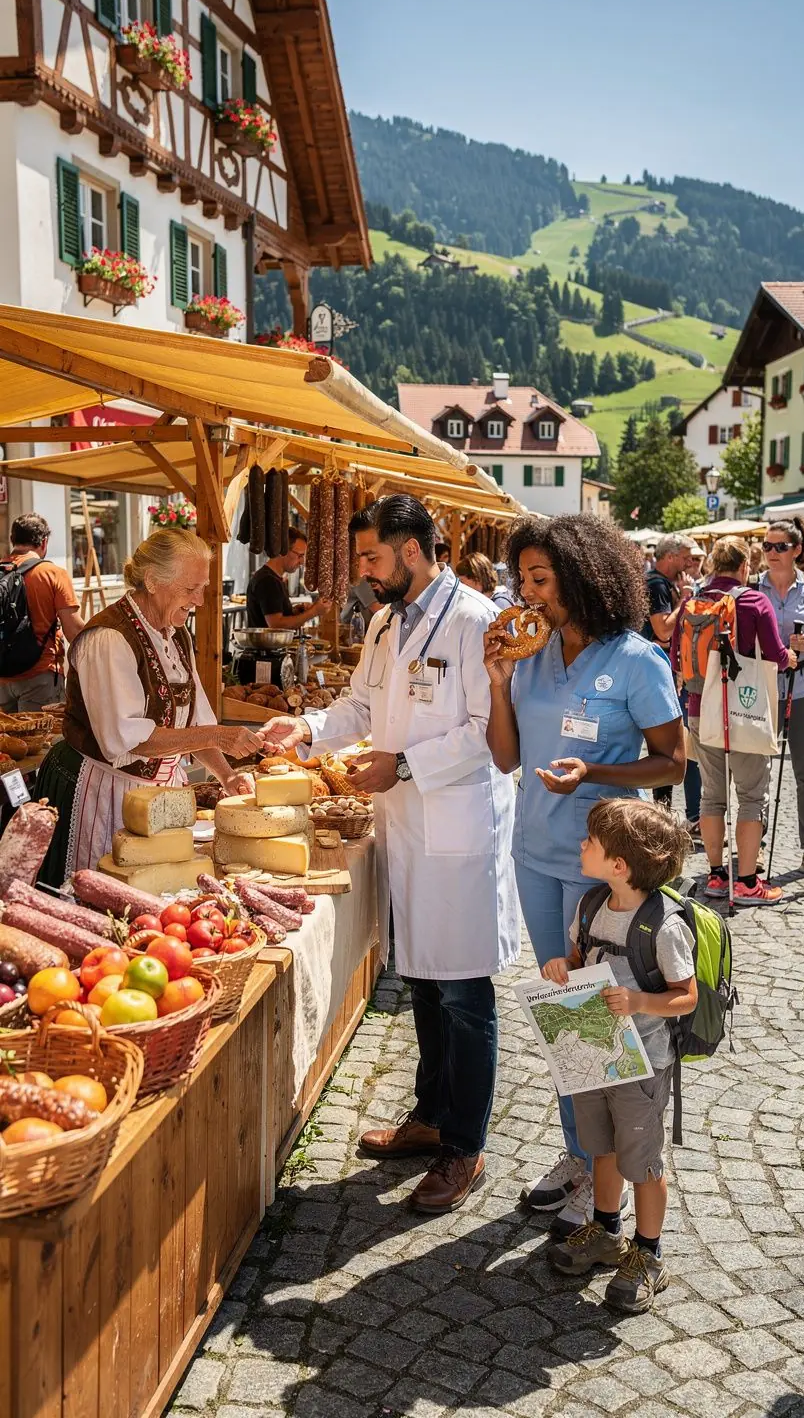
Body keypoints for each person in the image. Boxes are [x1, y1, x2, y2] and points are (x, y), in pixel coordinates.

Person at [261, 495, 519, 1214]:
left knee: (465, 992)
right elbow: (360, 709)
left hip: (458, 827)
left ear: (413, 550)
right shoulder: (382, 623)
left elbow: (485, 734)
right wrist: (306, 728)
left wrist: (403, 765)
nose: (364, 571)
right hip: (407, 829)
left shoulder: (474, 622)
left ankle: (463, 1146)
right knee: (427, 982)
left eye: (372, 557)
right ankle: (431, 1116)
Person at [484, 514, 684, 1231]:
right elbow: (505, 760)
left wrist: (594, 771)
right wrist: (499, 685)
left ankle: (606, 1176)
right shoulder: (528, 654)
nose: (529, 593)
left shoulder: (635, 660)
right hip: (534, 858)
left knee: (596, 1021)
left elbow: (673, 761)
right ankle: (580, 1155)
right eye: (523, 579)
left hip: (600, 868)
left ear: (584, 577)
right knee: (562, 1014)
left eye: (542, 579)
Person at [33, 528, 257, 885]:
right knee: (101, 895)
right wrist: (218, 735)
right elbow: (128, 740)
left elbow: (195, 721)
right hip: (103, 791)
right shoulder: (109, 638)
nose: (199, 600)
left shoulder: (175, 632)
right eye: (189, 589)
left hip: (156, 797)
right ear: (152, 581)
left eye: (203, 587)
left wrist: (226, 775)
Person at [546, 798, 696, 1314]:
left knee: (642, 1161)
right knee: (602, 1147)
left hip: (643, 1063)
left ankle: (648, 1255)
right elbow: (575, 959)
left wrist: (638, 1002)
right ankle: (606, 1233)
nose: (582, 845)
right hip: (594, 1054)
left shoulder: (664, 925)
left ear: (619, 865)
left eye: (591, 841)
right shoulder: (590, 905)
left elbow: (687, 995)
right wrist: (558, 969)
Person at [672, 537, 794, 906]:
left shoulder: (692, 603)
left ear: (711, 565)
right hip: (745, 709)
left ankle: (714, 875)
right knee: (752, 795)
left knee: (711, 794)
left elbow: (678, 656)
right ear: (744, 566)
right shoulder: (755, 601)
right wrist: (793, 653)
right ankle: (746, 882)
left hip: (699, 706)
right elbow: (776, 655)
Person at [756, 517, 804, 877]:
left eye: (780, 546)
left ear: (797, 550)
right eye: (767, 546)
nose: (772, 553)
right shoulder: (751, 588)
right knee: (757, 771)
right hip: (760, 687)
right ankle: (755, 846)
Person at [0, 513, 84, 712]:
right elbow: (73, 631)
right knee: (42, 741)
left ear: (13, 539)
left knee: (7, 742)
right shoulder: (52, 573)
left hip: (2, 676)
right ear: (44, 542)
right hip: (40, 675)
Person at [642, 534, 694, 815]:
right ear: (671, 556)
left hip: (658, 667)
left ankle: (662, 809)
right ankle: (661, 812)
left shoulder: (661, 583)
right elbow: (663, 629)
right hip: (653, 668)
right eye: (685, 557)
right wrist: (684, 599)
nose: (689, 563)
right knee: (662, 744)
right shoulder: (656, 585)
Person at [245, 526, 332, 631]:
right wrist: (314, 612)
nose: (302, 562)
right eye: (299, 555)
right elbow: (276, 626)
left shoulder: (274, 578)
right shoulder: (268, 581)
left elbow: (274, 615)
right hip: (265, 647)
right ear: (283, 550)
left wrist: (294, 611)